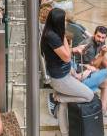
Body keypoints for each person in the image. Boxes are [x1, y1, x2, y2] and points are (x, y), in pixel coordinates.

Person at [41, 8, 93, 136]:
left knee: (64, 106)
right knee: (89, 96)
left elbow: (64, 55)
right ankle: (59, 98)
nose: (66, 22)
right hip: (60, 79)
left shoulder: (52, 32)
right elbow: (66, 57)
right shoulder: (52, 36)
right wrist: (66, 39)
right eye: (63, 20)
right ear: (58, 22)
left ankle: (64, 132)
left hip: (62, 75)